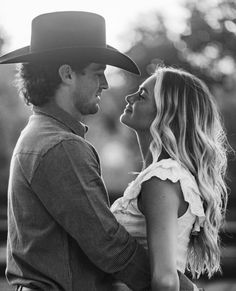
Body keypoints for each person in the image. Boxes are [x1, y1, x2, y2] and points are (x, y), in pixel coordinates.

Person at [0, 12, 195, 291]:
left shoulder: (38, 135)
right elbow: (109, 245)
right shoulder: (62, 146)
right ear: (67, 74)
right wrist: (183, 288)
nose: (104, 83)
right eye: (97, 72)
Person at [111, 66, 229, 291]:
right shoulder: (165, 176)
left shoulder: (162, 178)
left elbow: (165, 281)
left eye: (142, 96)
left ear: (166, 114)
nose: (129, 97)